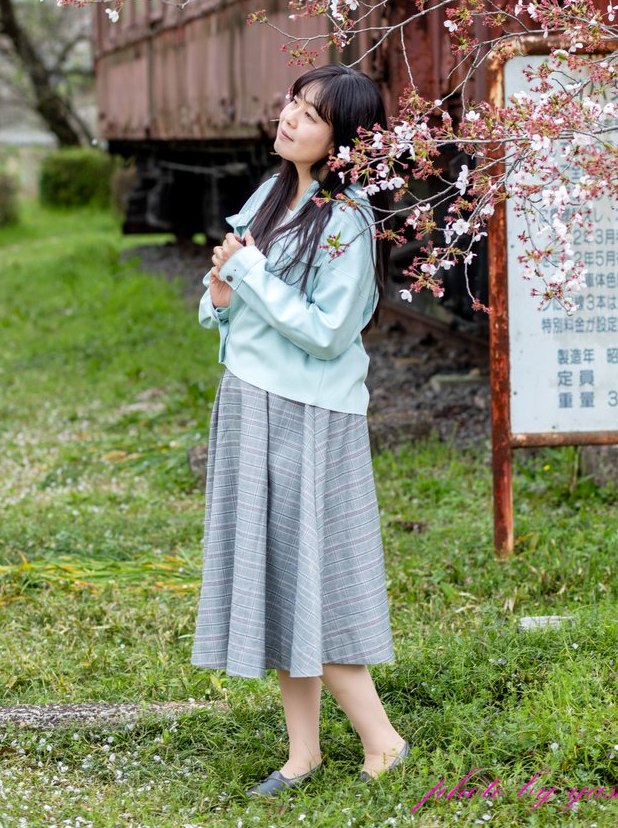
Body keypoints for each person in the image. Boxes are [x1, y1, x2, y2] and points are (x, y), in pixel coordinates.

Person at [191, 63, 412, 796]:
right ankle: (302, 755)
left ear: (344, 140)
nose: (290, 118)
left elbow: (327, 332)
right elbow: (231, 301)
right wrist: (223, 293)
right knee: (281, 580)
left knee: (311, 581)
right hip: (253, 401)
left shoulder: (347, 219)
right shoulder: (275, 192)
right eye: (292, 102)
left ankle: (382, 741)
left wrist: (247, 276)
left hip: (308, 414)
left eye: (311, 114)